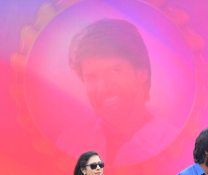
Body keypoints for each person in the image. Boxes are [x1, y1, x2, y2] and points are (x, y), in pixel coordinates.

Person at [57, 19, 178, 166]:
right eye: (92, 77)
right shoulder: (68, 144)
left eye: (115, 71)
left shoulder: (181, 146)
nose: (103, 88)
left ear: (142, 72)